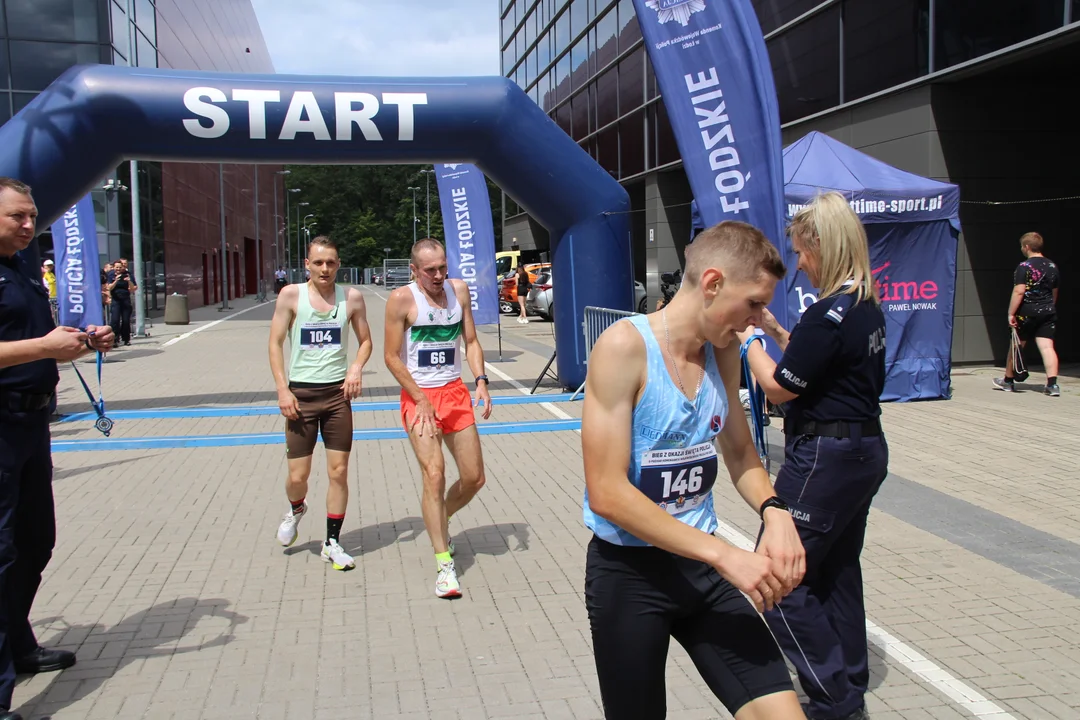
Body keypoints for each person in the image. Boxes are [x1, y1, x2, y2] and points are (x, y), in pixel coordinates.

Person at [581, 220, 807, 720]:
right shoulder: (624, 347)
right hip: (631, 575)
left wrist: (776, 513)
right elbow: (607, 492)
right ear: (712, 283)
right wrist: (726, 554)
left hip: (703, 571)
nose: (756, 320)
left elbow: (742, 454)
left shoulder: (723, 348)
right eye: (753, 303)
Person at [737, 192, 889, 720]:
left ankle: (835, 698)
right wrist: (779, 332)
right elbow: (821, 357)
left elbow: (781, 388)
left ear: (824, 246)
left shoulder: (828, 314)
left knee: (777, 581)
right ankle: (850, 679)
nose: (799, 263)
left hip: (826, 455)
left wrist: (748, 345)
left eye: (803, 251)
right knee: (837, 570)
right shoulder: (864, 304)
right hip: (864, 449)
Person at [0, 177, 115, 720]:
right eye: (17, 217)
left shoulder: (22, 267)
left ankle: (18, 644)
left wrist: (81, 337)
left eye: (32, 216)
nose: (29, 226)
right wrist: (44, 346)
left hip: (32, 426)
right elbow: (28, 345)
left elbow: (34, 337)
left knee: (34, 542)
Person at [383, 238, 492, 599]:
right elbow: (391, 357)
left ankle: (439, 517)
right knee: (434, 473)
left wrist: (480, 381)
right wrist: (419, 398)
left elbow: (471, 341)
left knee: (474, 478)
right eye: (430, 270)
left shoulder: (458, 291)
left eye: (443, 267)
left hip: (455, 393)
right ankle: (444, 563)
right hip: (420, 397)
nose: (438, 275)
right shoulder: (401, 299)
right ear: (414, 270)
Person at [268, 236, 372, 571]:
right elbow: (275, 343)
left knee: (339, 471)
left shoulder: (351, 298)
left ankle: (332, 542)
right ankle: (297, 507)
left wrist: (355, 367)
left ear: (338, 264)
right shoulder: (291, 295)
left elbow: (366, 340)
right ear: (307, 265)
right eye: (318, 263)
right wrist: (283, 390)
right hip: (300, 396)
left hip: (337, 396)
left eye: (331, 263)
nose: (325, 269)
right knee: (298, 476)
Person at [993, 231, 1060, 396]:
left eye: (1022, 246)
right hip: (1047, 311)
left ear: (1027, 247)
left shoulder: (1024, 267)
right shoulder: (1052, 266)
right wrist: (1049, 306)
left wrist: (1011, 313)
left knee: (1016, 347)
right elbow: (1054, 291)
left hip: (1026, 313)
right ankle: (1052, 385)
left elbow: (1019, 291)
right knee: (1047, 347)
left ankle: (1008, 381)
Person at [106, 261, 135, 347]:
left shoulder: (127, 274)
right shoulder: (111, 275)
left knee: (126, 320)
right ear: (114, 267)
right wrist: (115, 280)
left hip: (125, 299)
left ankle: (126, 339)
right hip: (116, 299)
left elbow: (133, 288)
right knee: (115, 320)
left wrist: (129, 281)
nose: (118, 269)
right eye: (116, 267)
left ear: (123, 267)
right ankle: (115, 339)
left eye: (120, 267)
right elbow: (109, 287)